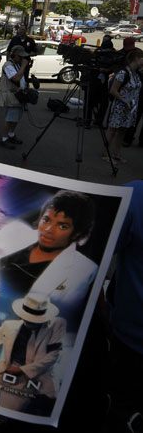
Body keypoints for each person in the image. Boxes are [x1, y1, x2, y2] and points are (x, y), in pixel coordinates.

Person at [0, 190, 97, 330]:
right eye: (46, 220)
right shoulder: (16, 234)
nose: (49, 229)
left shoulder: (84, 270)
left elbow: (61, 321)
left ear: (77, 233)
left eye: (62, 226)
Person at [105, 180, 143, 433]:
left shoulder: (135, 196)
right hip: (130, 339)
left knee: (120, 408)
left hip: (130, 341)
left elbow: (94, 260)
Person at [104, 48, 143, 164]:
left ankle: (117, 153)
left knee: (122, 131)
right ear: (136, 59)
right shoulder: (123, 73)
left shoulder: (136, 74)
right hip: (120, 106)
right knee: (112, 130)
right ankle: (106, 153)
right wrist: (124, 101)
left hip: (130, 108)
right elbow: (113, 90)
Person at [0, 45, 29, 149]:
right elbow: (16, 78)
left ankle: (11, 134)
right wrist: (24, 66)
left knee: (16, 117)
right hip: (10, 95)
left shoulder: (17, 64)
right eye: (21, 57)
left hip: (18, 95)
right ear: (15, 55)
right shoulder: (8, 65)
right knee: (10, 118)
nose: (22, 59)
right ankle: (4, 138)